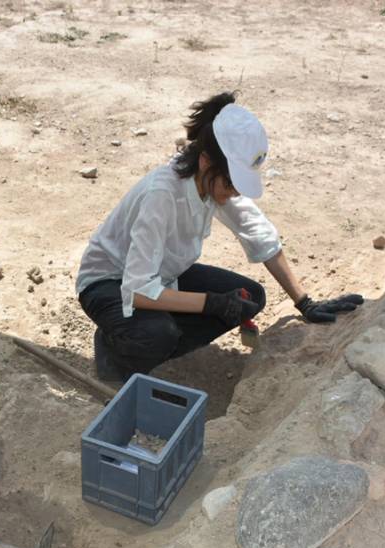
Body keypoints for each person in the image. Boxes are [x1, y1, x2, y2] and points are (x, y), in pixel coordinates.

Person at [76, 92, 363, 382]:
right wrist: (210, 303)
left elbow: (258, 232)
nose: (234, 192)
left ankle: (139, 332)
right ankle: (118, 348)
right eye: (231, 183)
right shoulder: (162, 195)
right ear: (205, 161)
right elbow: (137, 290)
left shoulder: (212, 182)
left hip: (161, 275)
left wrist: (305, 303)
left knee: (250, 297)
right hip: (110, 283)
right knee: (158, 333)